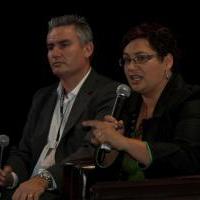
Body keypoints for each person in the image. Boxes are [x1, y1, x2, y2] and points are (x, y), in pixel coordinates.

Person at [0, 15, 119, 200]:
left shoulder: (108, 92)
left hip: (67, 190)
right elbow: (24, 152)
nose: (54, 53)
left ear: (88, 49)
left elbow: (92, 151)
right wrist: (11, 176)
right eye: (50, 47)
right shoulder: (42, 97)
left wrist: (44, 179)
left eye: (64, 45)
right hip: (29, 189)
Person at [82, 22, 200, 181]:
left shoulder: (191, 100)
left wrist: (124, 142)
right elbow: (106, 176)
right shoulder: (127, 103)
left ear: (167, 61)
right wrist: (110, 145)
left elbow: (188, 159)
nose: (130, 67)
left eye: (141, 58)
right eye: (127, 60)